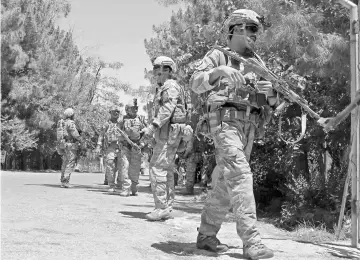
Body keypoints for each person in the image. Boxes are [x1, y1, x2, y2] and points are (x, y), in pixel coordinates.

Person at [190, 9, 278, 259]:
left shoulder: (256, 62)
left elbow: (268, 103)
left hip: (248, 128)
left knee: (225, 186)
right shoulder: (219, 55)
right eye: (250, 28)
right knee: (240, 174)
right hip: (224, 123)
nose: (254, 34)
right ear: (235, 28)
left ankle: (206, 235)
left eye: (255, 30)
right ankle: (252, 241)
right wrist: (219, 72)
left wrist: (269, 93)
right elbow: (195, 83)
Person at [140, 56, 193, 221]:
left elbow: (167, 109)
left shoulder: (170, 86)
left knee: (157, 168)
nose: (155, 70)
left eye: (158, 67)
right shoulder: (164, 87)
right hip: (167, 134)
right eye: (155, 67)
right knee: (167, 170)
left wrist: (153, 126)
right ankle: (167, 207)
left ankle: (162, 207)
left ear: (167, 69)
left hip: (167, 134)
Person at [116, 99, 146, 197]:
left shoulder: (141, 119)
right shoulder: (121, 120)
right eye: (133, 108)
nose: (135, 110)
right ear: (127, 109)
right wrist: (122, 138)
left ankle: (134, 187)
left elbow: (147, 134)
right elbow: (116, 133)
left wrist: (141, 144)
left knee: (135, 168)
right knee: (125, 166)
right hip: (125, 147)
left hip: (137, 147)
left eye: (136, 108)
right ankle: (125, 188)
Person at [94, 105, 124, 193]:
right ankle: (111, 185)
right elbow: (101, 135)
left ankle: (120, 184)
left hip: (122, 147)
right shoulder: (106, 124)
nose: (116, 113)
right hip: (110, 147)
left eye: (118, 111)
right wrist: (98, 145)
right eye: (114, 111)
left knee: (122, 166)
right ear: (110, 112)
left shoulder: (122, 123)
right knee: (110, 165)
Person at [57, 108, 82, 188]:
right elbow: (74, 133)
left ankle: (62, 181)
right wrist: (81, 139)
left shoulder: (62, 122)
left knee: (65, 162)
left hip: (63, 144)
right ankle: (65, 181)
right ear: (71, 115)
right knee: (70, 163)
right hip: (70, 145)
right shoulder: (70, 123)